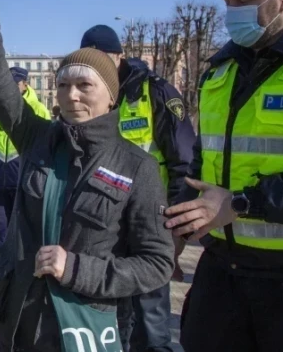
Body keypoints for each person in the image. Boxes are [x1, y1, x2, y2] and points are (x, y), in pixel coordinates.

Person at [0, 0, 174, 351]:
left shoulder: (137, 167)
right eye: (63, 85)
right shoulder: (38, 137)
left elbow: (156, 263)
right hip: (22, 318)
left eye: (84, 86)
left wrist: (77, 268)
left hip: (87, 323)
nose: (70, 95)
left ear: (110, 95)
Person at [165, 0, 283, 352]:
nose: (233, 11)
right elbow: (202, 162)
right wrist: (178, 232)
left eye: (246, 0)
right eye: (228, 2)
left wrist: (244, 203)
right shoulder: (219, 70)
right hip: (221, 269)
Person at [80, 25, 196, 352]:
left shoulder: (154, 93)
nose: (96, 68)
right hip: (104, 224)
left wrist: (175, 235)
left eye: (102, 59)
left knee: (151, 320)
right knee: (111, 317)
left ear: (119, 56)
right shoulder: (89, 97)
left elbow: (183, 164)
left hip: (151, 223)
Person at [0, 66, 50, 298]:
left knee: (26, 237)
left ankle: (23, 285)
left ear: (25, 84)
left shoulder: (39, 110)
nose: (11, 88)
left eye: (15, 84)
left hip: (24, 186)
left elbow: (44, 151)